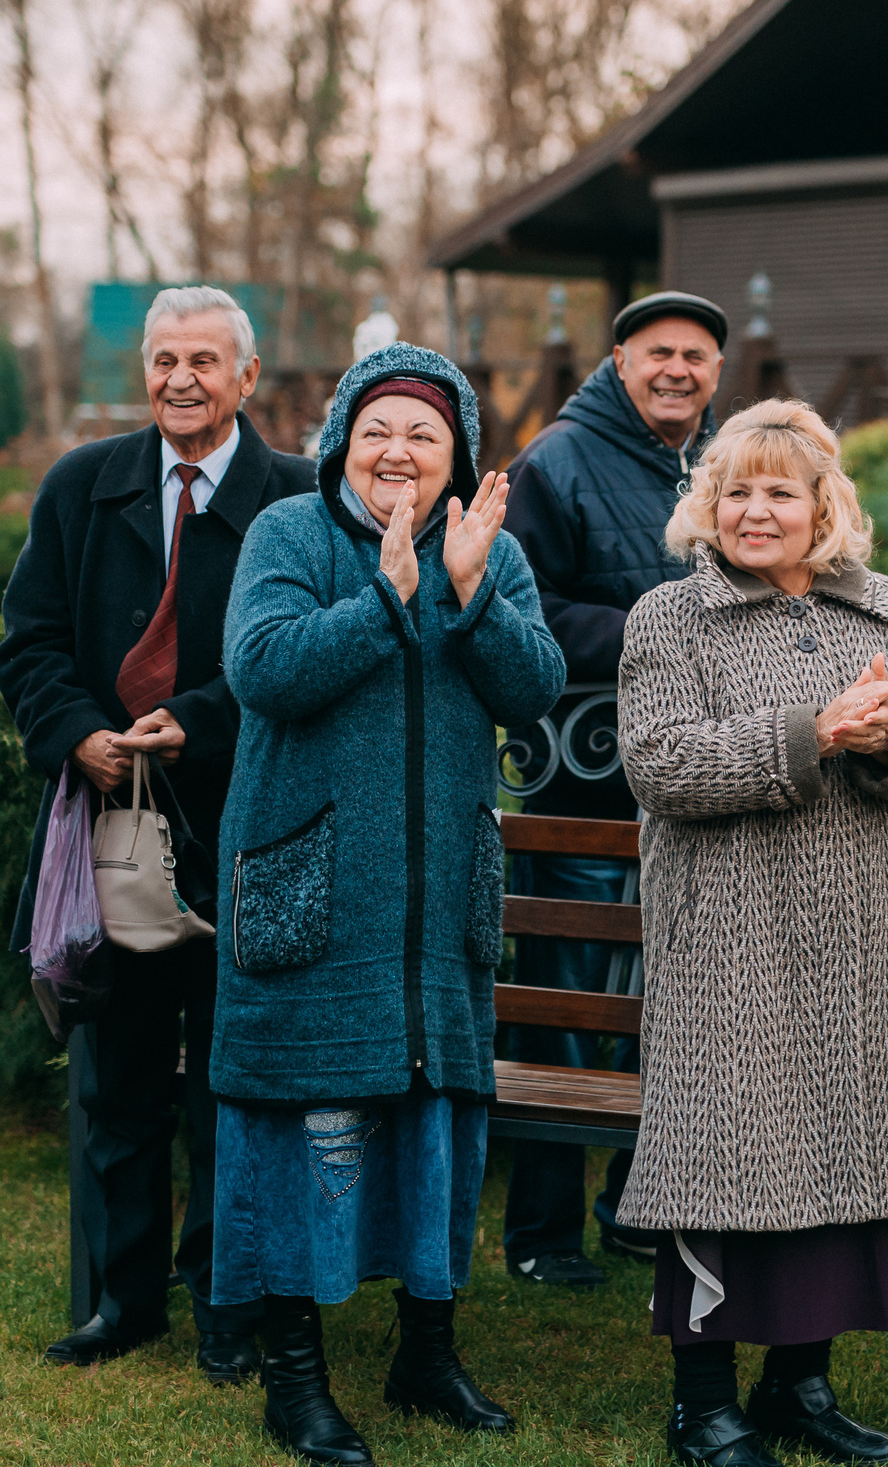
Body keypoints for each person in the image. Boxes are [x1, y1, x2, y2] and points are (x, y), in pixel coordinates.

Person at [614, 399, 888, 1467]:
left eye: (780, 490)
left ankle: (797, 1387)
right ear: (707, 505)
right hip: (733, 937)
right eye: (734, 490)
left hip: (872, 937)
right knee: (721, 1154)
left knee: (844, 1151)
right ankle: (703, 1406)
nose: (754, 509)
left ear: (826, 506)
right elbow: (659, 764)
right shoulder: (668, 620)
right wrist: (809, 733)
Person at [210, 344, 563, 1465]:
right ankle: (297, 1376)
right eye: (376, 431)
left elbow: (535, 685)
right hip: (314, 884)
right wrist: (384, 598)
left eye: (423, 433)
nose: (397, 451)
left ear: (456, 449)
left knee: (431, 1112)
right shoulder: (288, 535)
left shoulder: (485, 549)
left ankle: (426, 1352)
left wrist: (466, 591)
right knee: (304, 1107)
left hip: (435, 896)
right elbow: (263, 670)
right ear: (341, 445)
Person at [0, 286, 315, 1382]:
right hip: (112, 829)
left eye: (205, 361)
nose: (182, 379)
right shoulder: (85, 486)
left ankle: (226, 1307)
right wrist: (76, 732)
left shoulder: (297, 500)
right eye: (164, 359)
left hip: (248, 827)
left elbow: (315, 654)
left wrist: (207, 722)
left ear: (247, 377)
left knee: (232, 1084)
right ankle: (121, 1303)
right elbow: (26, 643)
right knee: (118, 1078)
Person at [498, 288, 724, 1284]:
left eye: (697, 358)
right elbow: (526, 606)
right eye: (659, 353)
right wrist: (659, 632)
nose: (678, 370)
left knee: (675, 997)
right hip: (579, 783)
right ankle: (542, 1237)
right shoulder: (559, 461)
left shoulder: (722, 468)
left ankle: (638, 1211)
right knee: (562, 995)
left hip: (685, 785)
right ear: (620, 361)